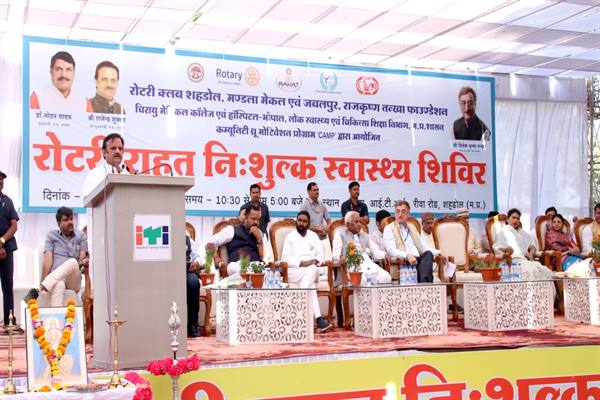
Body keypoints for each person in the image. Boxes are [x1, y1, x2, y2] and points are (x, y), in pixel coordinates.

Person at [24, 207, 88, 307]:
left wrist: (43, 283)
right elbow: (47, 260)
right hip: (57, 278)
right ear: (59, 223)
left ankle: (39, 289)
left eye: (71, 219)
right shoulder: (52, 236)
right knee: (59, 285)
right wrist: (43, 279)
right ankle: (56, 315)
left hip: (73, 279)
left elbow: (81, 260)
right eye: (66, 220)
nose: (70, 222)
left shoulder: (81, 236)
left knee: (72, 262)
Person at [281, 211, 332, 333]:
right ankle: (318, 320)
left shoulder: (313, 236)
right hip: (294, 271)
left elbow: (320, 255)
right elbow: (285, 259)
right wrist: (302, 263)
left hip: (312, 269)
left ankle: (299, 311)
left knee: (311, 269)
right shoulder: (290, 238)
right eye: (299, 220)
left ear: (308, 224)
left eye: (304, 221)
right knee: (310, 286)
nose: (301, 223)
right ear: (296, 221)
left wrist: (314, 261)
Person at [383, 201, 443, 283]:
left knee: (428, 254)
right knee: (425, 274)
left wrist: (439, 253)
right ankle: (425, 285)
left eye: (403, 212)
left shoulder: (412, 227)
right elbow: (391, 250)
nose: (400, 214)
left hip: (418, 262)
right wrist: (407, 255)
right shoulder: (389, 228)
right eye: (397, 211)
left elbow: (423, 248)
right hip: (405, 263)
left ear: (408, 214)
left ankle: (424, 284)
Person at [493, 208, 554, 280]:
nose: (515, 220)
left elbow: (532, 246)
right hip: (510, 261)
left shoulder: (522, 233)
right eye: (513, 218)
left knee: (544, 271)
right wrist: (505, 249)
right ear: (508, 219)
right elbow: (497, 247)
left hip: (523, 260)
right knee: (529, 272)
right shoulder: (503, 232)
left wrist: (531, 254)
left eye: (518, 219)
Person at [332, 211, 391, 285]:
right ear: (348, 224)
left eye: (360, 221)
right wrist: (341, 257)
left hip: (368, 265)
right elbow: (335, 254)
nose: (360, 224)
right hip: (351, 265)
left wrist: (384, 255)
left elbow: (375, 251)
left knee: (386, 277)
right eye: (356, 222)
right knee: (361, 280)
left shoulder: (365, 235)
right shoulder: (340, 234)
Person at [212, 204, 264, 275]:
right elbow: (212, 241)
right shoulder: (231, 230)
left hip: (255, 266)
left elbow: (263, 257)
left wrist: (259, 239)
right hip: (237, 266)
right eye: (253, 219)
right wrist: (216, 257)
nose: (256, 222)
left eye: (258, 219)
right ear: (245, 217)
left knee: (263, 268)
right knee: (233, 267)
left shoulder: (259, 233)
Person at [0, 171, 23, 333]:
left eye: (2, 180)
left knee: (8, 285)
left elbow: (14, 225)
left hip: (7, 249)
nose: (1, 182)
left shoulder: (7, 201)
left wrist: (2, 241)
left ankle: (9, 321)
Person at [82, 133, 134, 198]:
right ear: (104, 152)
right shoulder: (95, 174)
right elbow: (87, 197)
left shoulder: (126, 174)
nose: (117, 151)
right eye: (113, 148)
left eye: (120, 148)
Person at [185, 233, 204, 337]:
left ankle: (193, 323)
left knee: (193, 282)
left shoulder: (186, 238)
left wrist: (196, 263)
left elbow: (197, 257)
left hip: (186, 271)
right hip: (166, 272)